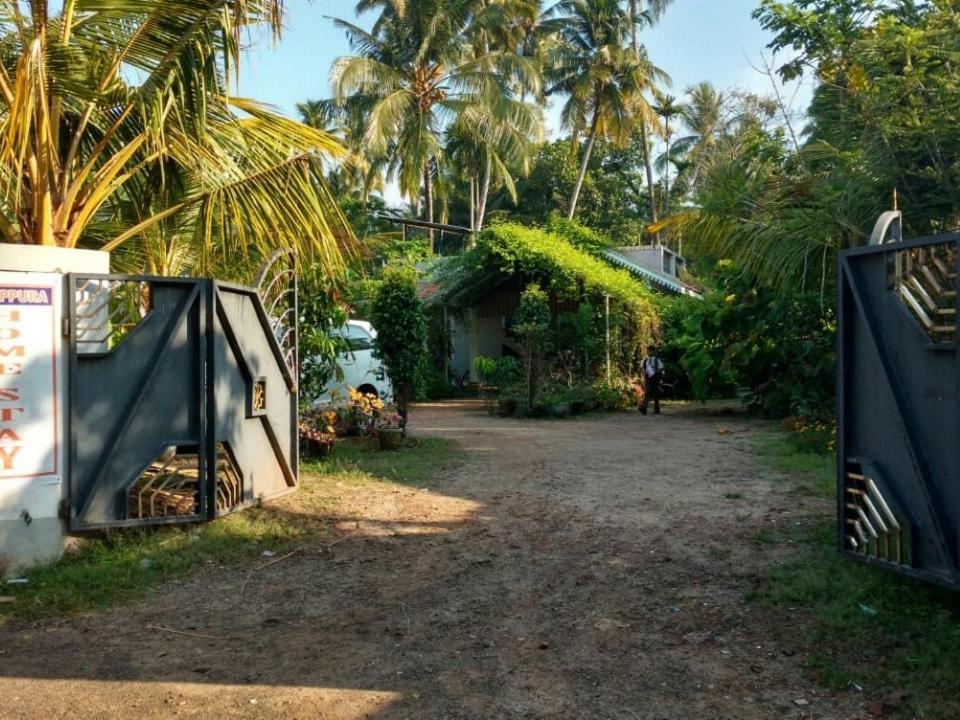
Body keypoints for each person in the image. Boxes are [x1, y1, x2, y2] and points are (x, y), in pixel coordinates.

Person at [640, 345, 664, 415]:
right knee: (647, 392)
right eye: (648, 351)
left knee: (656, 394)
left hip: (655, 378)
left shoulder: (657, 360)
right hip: (648, 378)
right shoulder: (645, 361)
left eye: (650, 351)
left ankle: (657, 409)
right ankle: (644, 408)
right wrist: (644, 375)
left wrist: (660, 377)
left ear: (653, 351)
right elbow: (643, 369)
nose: (648, 352)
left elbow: (661, 368)